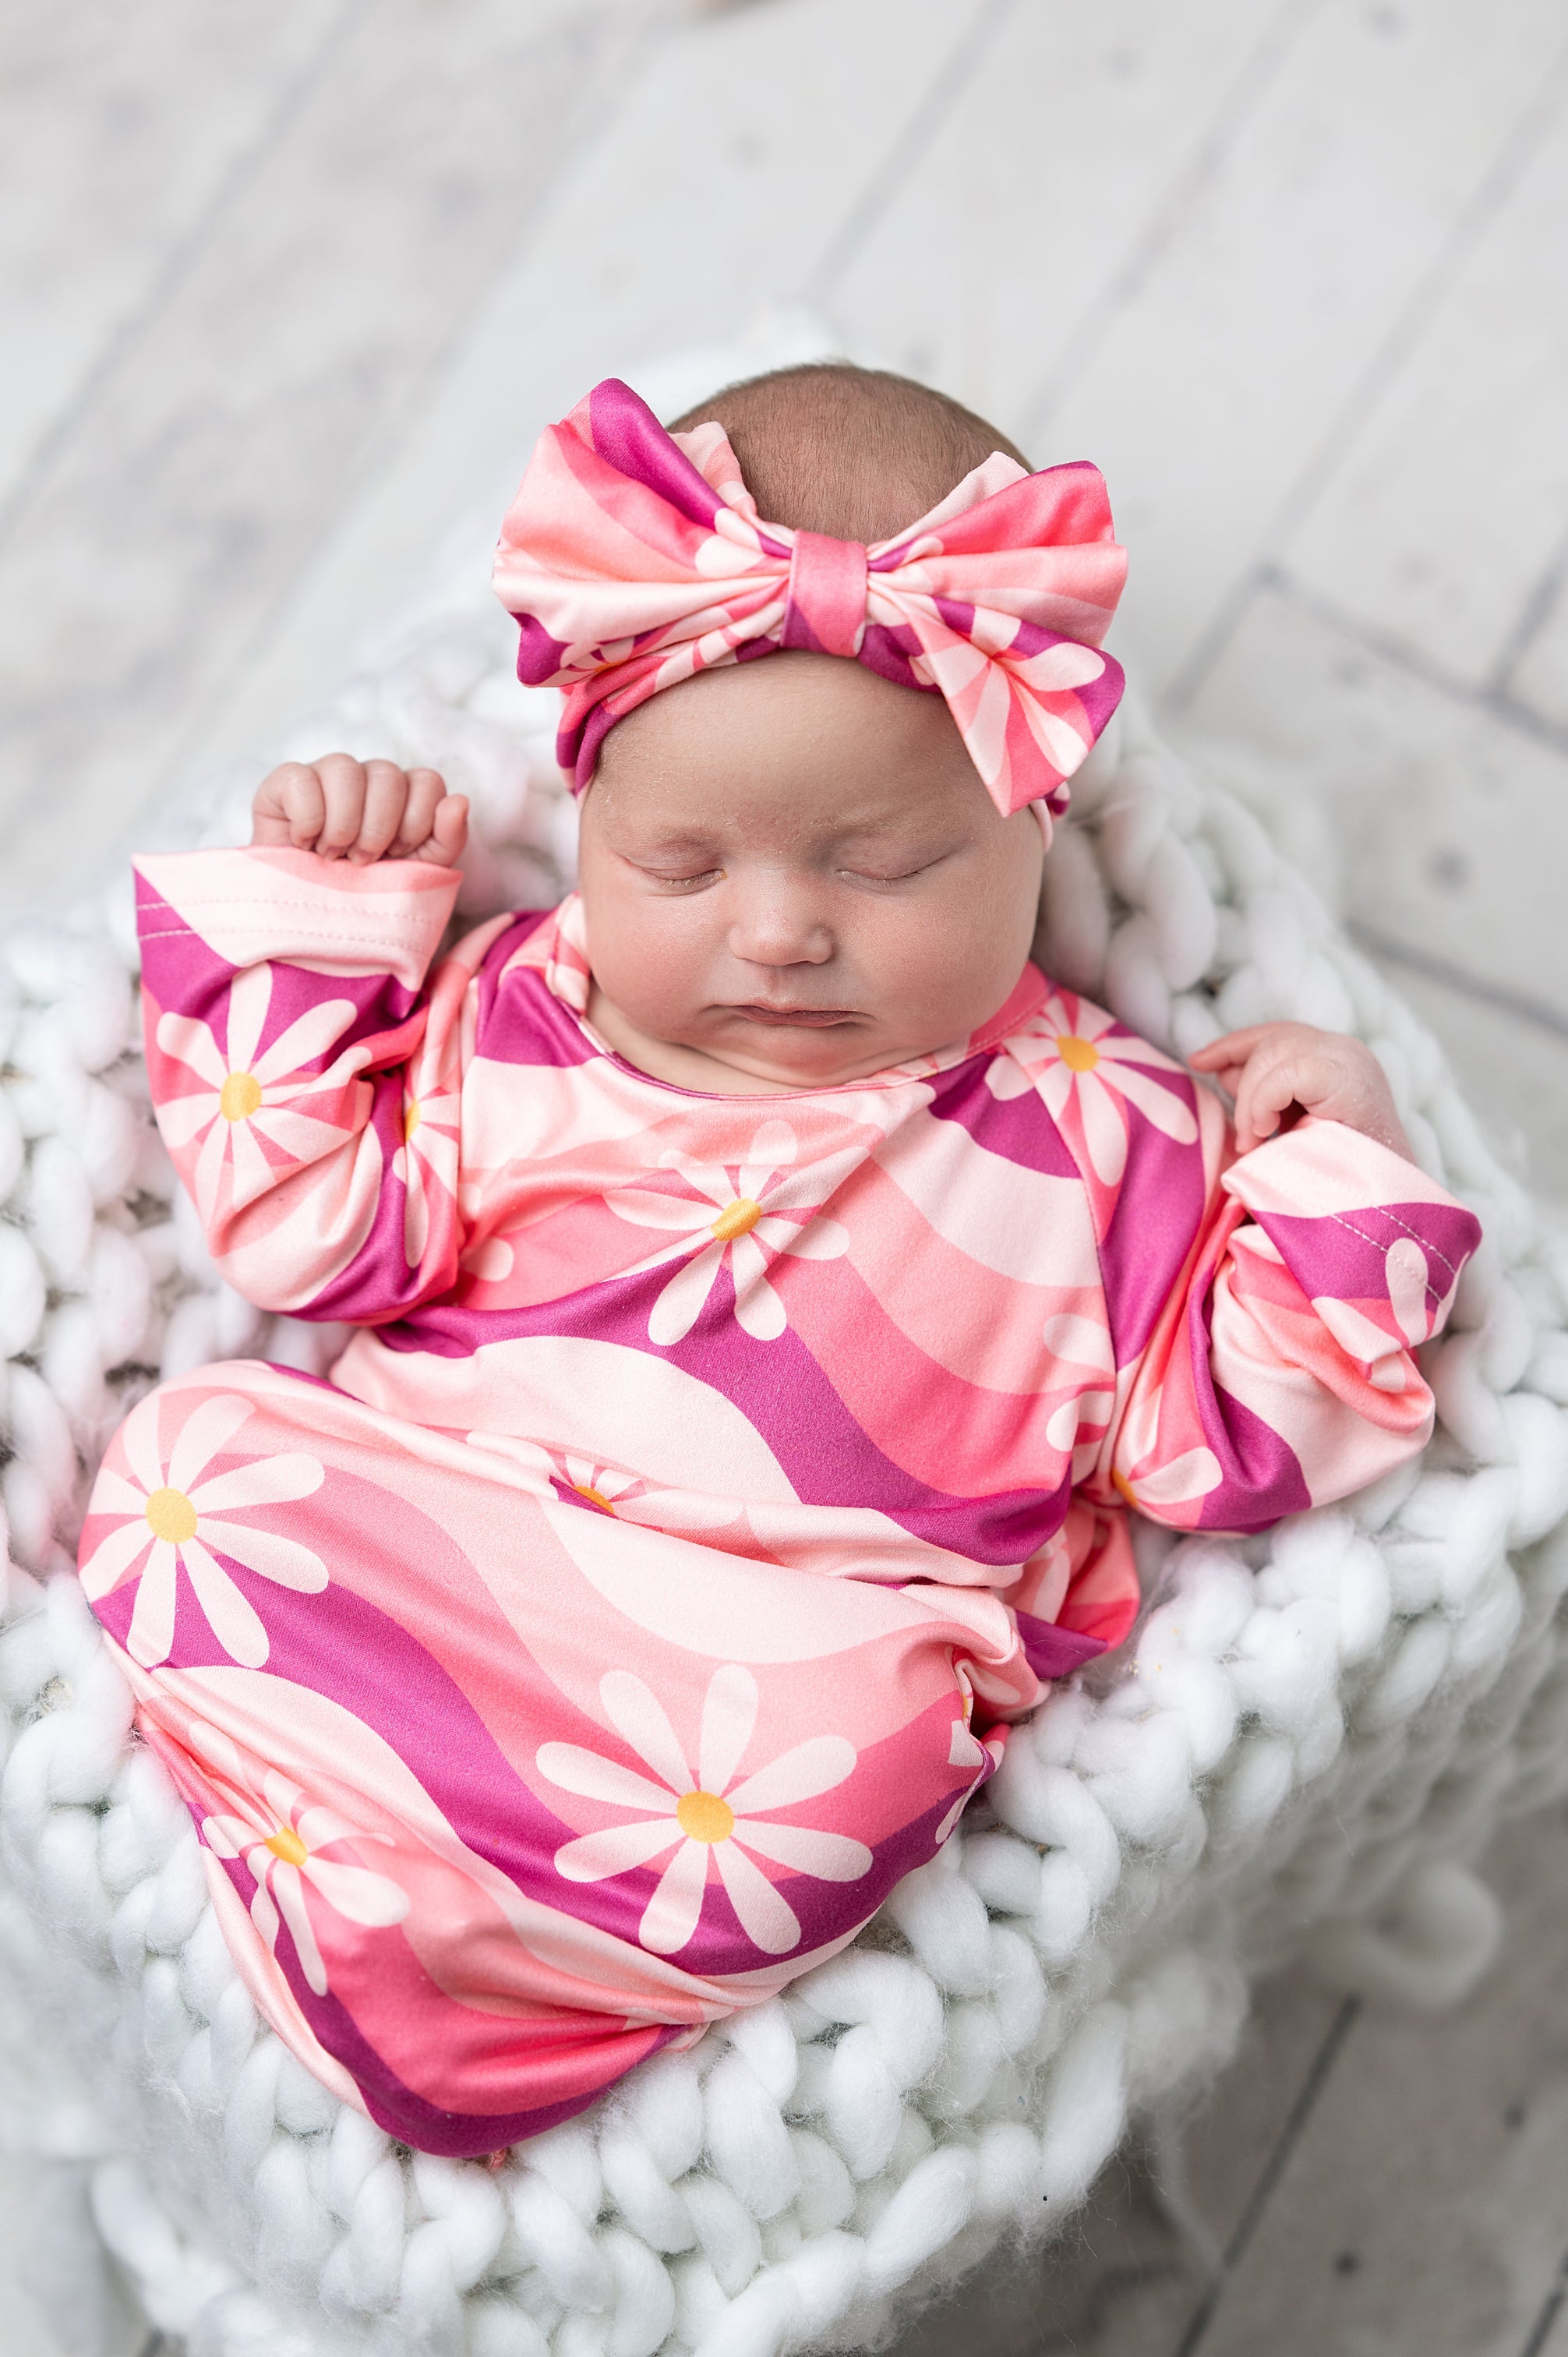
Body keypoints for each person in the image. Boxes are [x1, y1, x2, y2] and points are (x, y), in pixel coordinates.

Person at [78, 366, 1479, 2157]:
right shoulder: (525, 1011)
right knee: (185, 1463)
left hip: (740, 1715)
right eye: (680, 861)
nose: (778, 928)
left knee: (865, 1753)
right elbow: (305, 1222)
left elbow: (1237, 1444)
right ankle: (366, 1873)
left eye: (882, 866)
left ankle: (469, 1941)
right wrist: (329, 926)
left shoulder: (1103, 1133)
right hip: (442, 1547)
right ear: (588, 824)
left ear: (1032, 828)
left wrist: (1328, 1159)